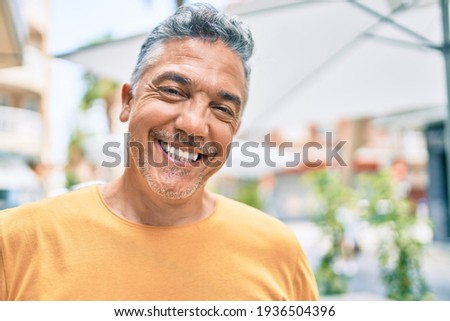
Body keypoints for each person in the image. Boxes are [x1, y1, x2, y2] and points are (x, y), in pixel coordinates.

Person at [0, 3, 318, 300]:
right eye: (172, 91)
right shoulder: (16, 241)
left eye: (222, 108)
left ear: (234, 129)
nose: (194, 125)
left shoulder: (279, 253)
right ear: (128, 101)